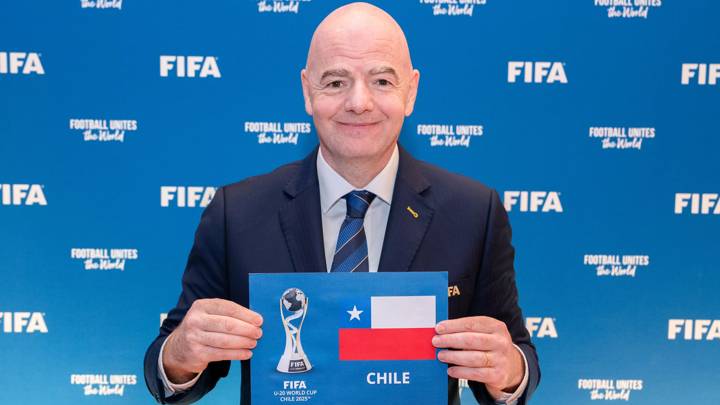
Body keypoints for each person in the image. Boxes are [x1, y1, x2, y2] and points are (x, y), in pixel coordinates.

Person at [144, 3, 539, 404]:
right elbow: (172, 370)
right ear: (306, 91)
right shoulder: (236, 212)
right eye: (335, 82)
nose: (359, 102)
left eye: (382, 81)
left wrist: (507, 369)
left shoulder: (475, 212)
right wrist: (180, 354)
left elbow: (518, 364)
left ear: (411, 91)